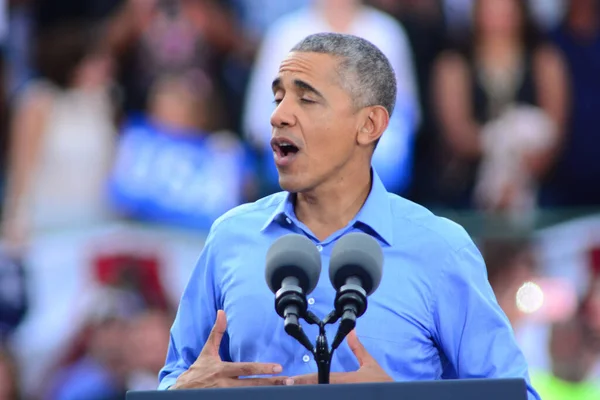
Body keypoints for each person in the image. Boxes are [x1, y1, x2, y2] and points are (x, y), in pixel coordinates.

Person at [158, 33, 539, 399]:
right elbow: (176, 377)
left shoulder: (440, 250)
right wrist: (181, 393)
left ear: (368, 125)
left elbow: (515, 395)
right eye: (277, 97)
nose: (278, 116)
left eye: (306, 100)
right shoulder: (229, 237)